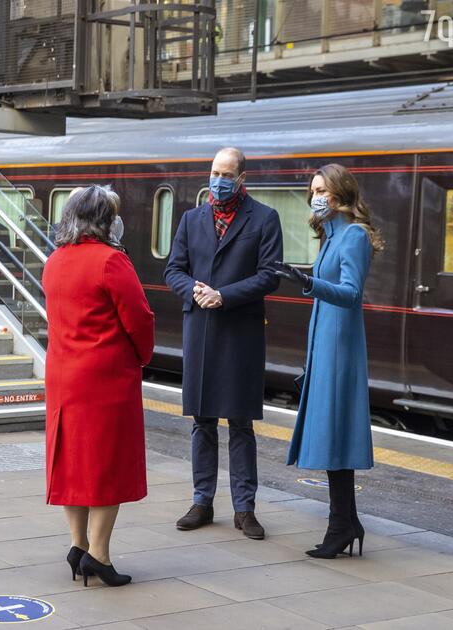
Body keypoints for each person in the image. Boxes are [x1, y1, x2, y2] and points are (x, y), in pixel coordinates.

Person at [164, 147, 283, 540]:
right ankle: (202, 501)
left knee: (241, 422)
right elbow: (174, 269)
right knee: (202, 421)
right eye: (214, 172)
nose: (218, 180)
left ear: (241, 178)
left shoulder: (265, 218)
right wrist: (193, 290)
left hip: (240, 332)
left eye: (227, 174)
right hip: (200, 328)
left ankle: (244, 508)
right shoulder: (191, 218)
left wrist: (225, 295)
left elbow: (270, 275)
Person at [42, 185, 154, 586]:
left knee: (71, 463)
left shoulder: (54, 260)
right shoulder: (111, 261)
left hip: (62, 376)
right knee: (107, 467)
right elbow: (140, 319)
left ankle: (76, 546)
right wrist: (141, 357)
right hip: (105, 380)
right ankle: (99, 555)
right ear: (104, 220)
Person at [273, 163, 383, 559]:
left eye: (323, 190)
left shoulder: (352, 235)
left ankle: (342, 525)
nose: (316, 197)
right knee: (332, 434)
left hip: (340, 348)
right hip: (325, 345)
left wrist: (308, 282)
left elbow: (351, 293)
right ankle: (345, 522)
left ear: (339, 195)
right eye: (313, 190)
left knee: (335, 433)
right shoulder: (330, 238)